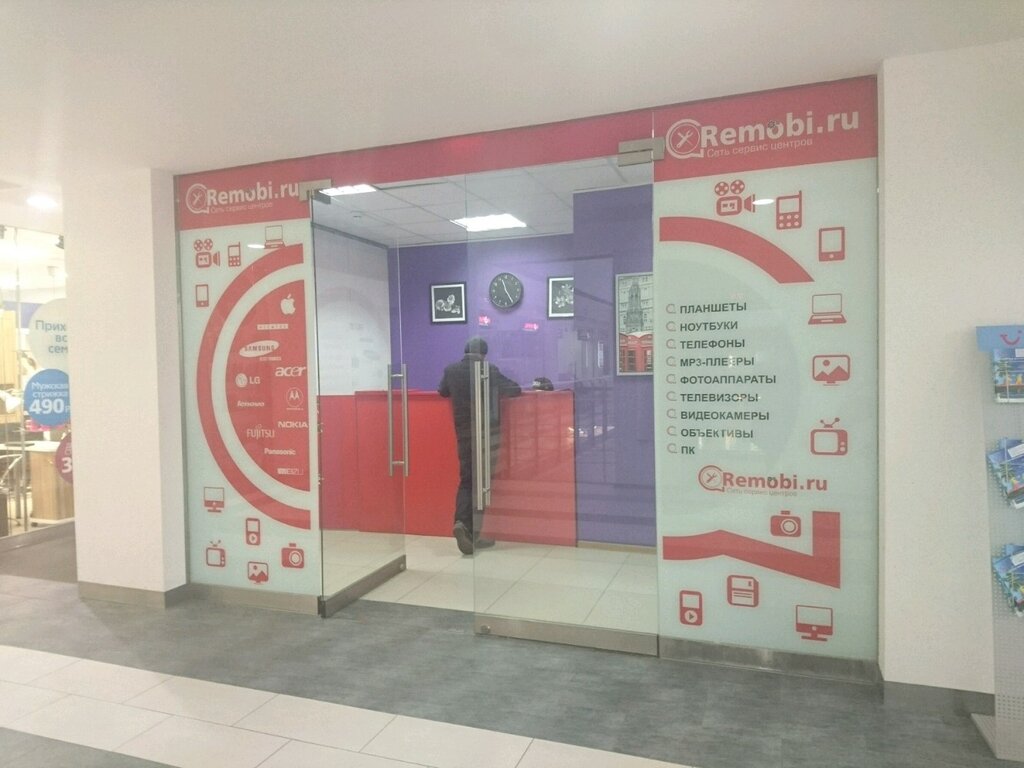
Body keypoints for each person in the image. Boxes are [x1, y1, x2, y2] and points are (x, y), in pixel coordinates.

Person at [438, 337, 521, 555]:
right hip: (487, 434)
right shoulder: (488, 370)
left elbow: (443, 391)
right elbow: (514, 389)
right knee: (483, 483)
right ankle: (471, 532)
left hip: (464, 434)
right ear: (484, 354)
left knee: (467, 481)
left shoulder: (451, 370)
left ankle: (462, 525)